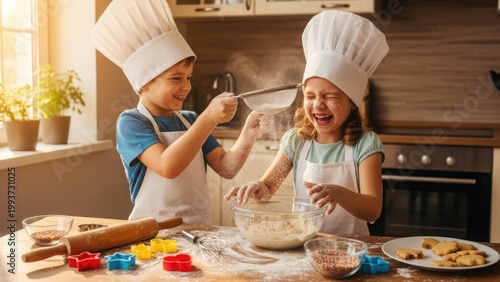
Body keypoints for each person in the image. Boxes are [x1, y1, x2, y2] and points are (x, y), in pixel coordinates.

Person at [92, 0, 271, 224]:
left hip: (199, 231)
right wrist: (209, 118)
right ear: (144, 83)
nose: (186, 86)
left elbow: (227, 168)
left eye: (188, 77)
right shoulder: (131, 123)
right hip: (153, 235)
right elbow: (168, 166)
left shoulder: (190, 120)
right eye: (176, 78)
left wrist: (249, 133)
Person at [224, 10, 389, 235]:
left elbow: (373, 210)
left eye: (329, 96)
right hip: (306, 246)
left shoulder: (365, 144)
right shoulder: (296, 141)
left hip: (353, 251)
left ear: (352, 102)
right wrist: (257, 187)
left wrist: (339, 194)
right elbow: (269, 187)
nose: (318, 105)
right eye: (310, 96)